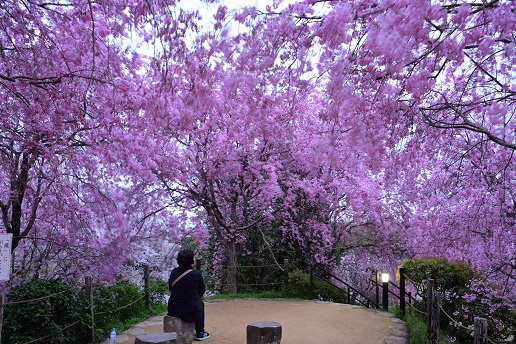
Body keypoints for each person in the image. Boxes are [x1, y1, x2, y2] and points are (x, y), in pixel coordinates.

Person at [167, 249, 210, 341]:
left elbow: (171, 288)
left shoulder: (173, 272)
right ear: (191, 261)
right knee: (199, 304)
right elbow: (202, 291)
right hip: (190, 312)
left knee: (194, 303)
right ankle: (200, 332)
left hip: (173, 309)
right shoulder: (196, 274)